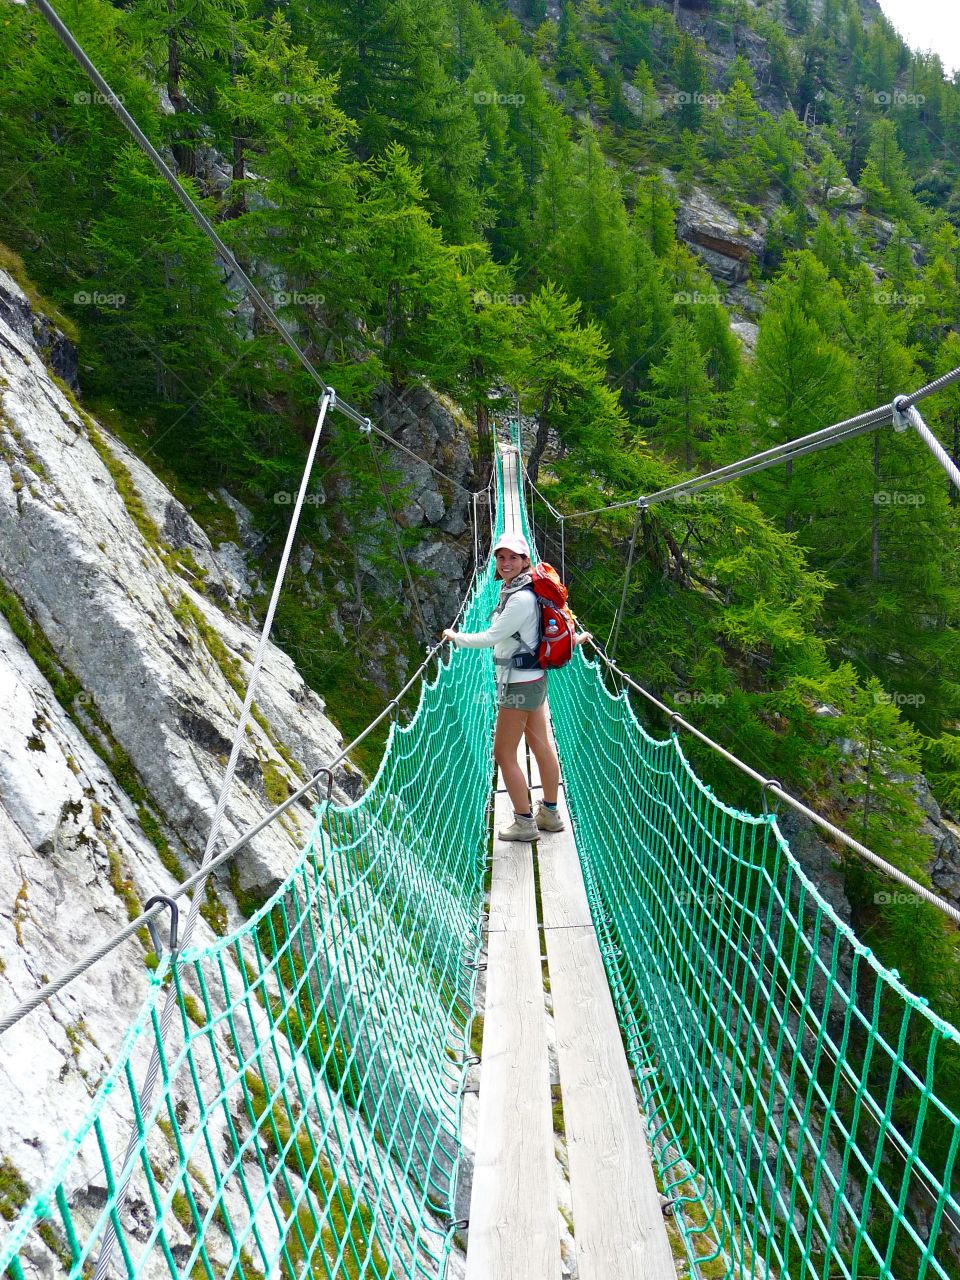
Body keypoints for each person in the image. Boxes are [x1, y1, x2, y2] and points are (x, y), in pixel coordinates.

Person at [442, 532, 591, 842]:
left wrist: (456, 638)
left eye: (513, 557)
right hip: (534, 680)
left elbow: (491, 637)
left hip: (519, 686)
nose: (506, 562)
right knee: (540, 745)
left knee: (503, 753)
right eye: (501, 557)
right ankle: (549, 814)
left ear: (526, 561)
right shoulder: (524, 590)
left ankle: (524, 823)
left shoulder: (520, 598)